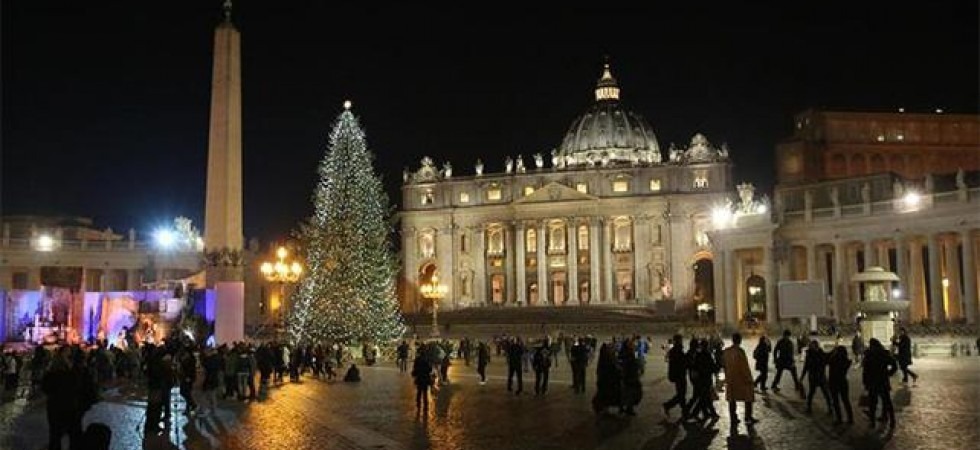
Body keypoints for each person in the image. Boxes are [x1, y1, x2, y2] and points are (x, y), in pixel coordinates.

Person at [43, 347, 82, 449]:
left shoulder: (50, 374)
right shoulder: (72, 374)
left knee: (55, 433)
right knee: (73, 434)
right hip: (69, 405)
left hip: (54, 406)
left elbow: (45, 388)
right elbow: (77, 387)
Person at [862, 338, 898, 428]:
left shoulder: (869, 355)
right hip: (882, 381)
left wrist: (865, 382)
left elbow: (865, 370)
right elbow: (894, 365)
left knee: (873, 403)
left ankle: (873, 422)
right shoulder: (883, 354)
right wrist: (889, 373)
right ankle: (890, 419)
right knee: (886, 402)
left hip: (873, 382)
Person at [723, 333, 758, 425]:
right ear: (740, 340)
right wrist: (749, 379)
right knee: (748, 397)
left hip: (730, 379)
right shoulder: (740, 352)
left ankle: (733, 418)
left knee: (732, 399)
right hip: (741, 379)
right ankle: (748, 417)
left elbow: (724, 365)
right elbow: (744, 367)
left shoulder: (726, 351)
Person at [800, 340, 832, 414]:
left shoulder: (820, 354)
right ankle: (809, 407)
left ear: (816, 346)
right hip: (814, 377)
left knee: (826, 393)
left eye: (812, 346)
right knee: (812, 393)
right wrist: (802, 377)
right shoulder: (809, 355)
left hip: (820, 377)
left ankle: (830, 407)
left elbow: (827, 359)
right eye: (810, 346)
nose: (810, 347)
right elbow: (806, 367)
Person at [662, 334, 688, 418]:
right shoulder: (677, 350)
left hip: (678, 375)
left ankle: (684, 411)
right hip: (679, 375)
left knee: (681, 394)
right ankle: (669, 405)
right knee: (681, 394)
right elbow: (681, 362)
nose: (681, 341)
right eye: (680, 340)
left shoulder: (675, 350)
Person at [591, 343, 622, 414]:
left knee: (605, 394)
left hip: (608, 380)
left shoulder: (607, 357)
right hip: (606, 380)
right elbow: (610, 368)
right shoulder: (607, 358)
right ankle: (600, 407)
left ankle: (603, 407)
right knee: (604, 394)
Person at [827, 345, 854, 424]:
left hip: (834, 382)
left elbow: (827, 360)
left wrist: (833, 352)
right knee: (846, 400)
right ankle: (850, 418)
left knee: (836, 401)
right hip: (843, 381)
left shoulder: (833, 359)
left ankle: (839, 418)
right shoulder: (846, 361)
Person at [771, 330, 803, 397]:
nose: (787, 337)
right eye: (786, 336)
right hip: (782, 361)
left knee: (793, 372)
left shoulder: (789, 342)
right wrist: (775, 359)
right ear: (784, 335)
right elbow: (775, 350)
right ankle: (774, 385)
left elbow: (791, 353)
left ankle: (797, 385)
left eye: (788, 336)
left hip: (788, 361)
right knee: (779, 374)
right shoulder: (781, 342)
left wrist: (792, 361)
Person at [619, 340, 642, 416]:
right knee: (630, 393)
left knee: (628, 393)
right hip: (630, 377)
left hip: (631, 376)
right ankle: (627, 408)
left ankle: (625, 408)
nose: (633, 345)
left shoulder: (629, 353)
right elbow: (629, 365)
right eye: (630, 344)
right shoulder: (628, 354)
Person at [200, 346, 222, 416]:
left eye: (206, 351)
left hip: (209, 379)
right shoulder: (216, 359)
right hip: (213, 379)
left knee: (205, 395)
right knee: (212, 395)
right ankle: (213, 410)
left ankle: (205, 409)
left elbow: (206, 368)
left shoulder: (208, 360)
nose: (205, 353)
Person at [177, 347, 198, 415]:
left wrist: (188, 377)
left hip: (187, 378)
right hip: (185, 377)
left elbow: (190, 369)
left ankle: (193, 405)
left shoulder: (190, 359)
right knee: (187, 392)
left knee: (184, 392)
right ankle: (188, 409)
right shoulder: (186, 358)